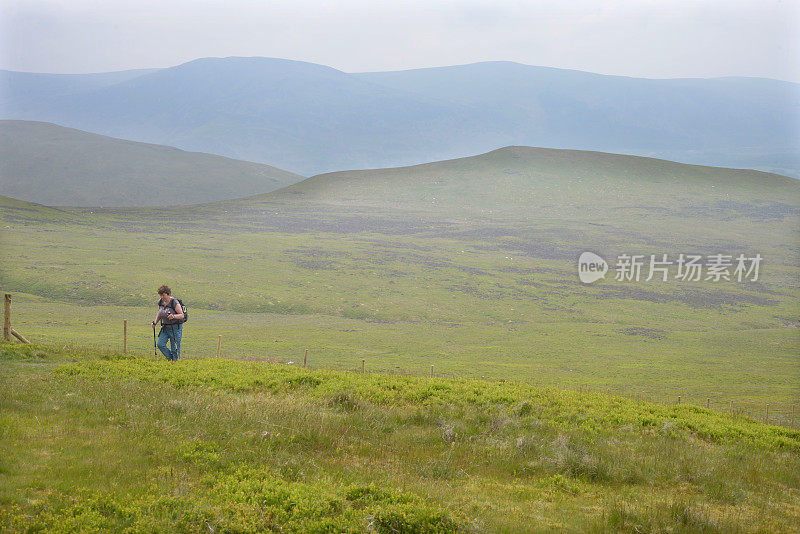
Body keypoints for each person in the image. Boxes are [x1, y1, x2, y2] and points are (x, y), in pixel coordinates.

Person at [152, 285, 184, 361]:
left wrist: (173, 316)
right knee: (160, 344)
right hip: (165, 327)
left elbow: (182, 315)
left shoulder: (174, 302)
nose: (162, 297)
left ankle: (176, 363)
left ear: (168, 294)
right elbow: (159, 313)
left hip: (175, 328)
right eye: (160, 295)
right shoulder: (160, 302)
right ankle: (171, 359)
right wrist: (155, 322)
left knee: (174, 348)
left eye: (163, 295)